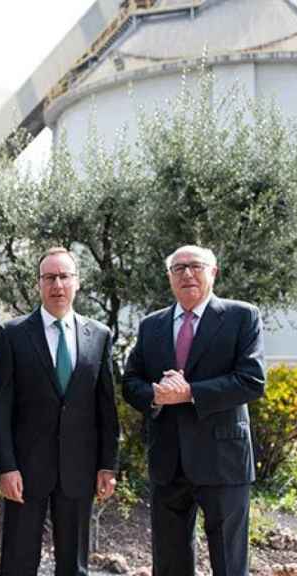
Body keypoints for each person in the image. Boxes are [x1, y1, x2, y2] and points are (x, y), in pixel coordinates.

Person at [122, 245, 265, 576]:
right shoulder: (151, 325)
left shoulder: (242, 316)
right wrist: (157, 395)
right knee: (170, 564)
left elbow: (251, 380)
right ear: (169, 277)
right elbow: (131, 382)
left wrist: (189, 393)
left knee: (229, 564)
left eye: (195, 266)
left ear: (213, 272)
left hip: (223, 461)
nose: (187, 273)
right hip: (168, 461)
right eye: (178, 268)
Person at [0, 247, 120, 576]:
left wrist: (108, 464)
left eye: (64, 276)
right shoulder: (13, 334)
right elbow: (1, 406)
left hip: (80, 468)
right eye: (49, 277)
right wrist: (6, 467)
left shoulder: (99, 335)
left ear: (77, 282)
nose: (57, 284)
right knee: (18, 562)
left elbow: (106, 406)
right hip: (26, 470)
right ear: (39, 284)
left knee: (74, 565)